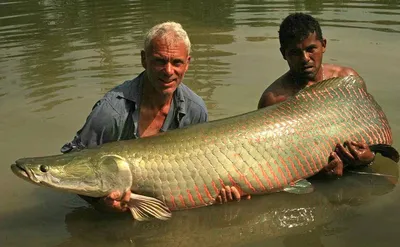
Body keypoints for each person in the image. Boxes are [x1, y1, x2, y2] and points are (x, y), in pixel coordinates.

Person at [61, 21, 211, 213]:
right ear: (143, 59)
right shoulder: (111, 112)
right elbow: (73, 162)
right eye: (159, 61)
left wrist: (220, 193)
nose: (168, 71)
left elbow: (201, 169)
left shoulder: (196, 110)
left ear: (187, 64)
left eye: (177, 62)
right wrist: (101, 203)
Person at [257, 13, 375, 177]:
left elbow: (369, 130)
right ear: (284, 54)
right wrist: (318, 175)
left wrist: (369, 157)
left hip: (357, 167)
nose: (305, 58)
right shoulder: (273, 100)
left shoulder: (347, 81)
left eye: (311, 49)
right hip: (312, 175)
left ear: (324, 45)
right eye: (295, 53)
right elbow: (272, 160)